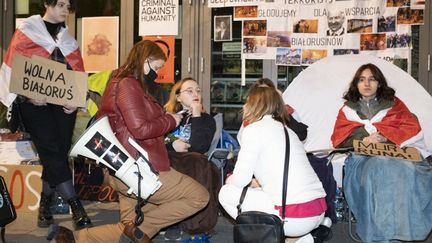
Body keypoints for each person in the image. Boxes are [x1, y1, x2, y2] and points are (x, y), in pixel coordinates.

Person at [52, 40, 209, 242]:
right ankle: (135, 230)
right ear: (146, 61)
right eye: (157, 67)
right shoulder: (129, 84)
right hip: (140, 166)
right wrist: (170, 119)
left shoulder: (119, 81)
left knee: (127, 230)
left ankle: (72, 238)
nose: (157, 73)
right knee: (198, 196)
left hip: (124, 166)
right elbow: (140, 128)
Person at [0, 0, 92, 230]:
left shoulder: (69, 40)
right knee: (50, 149)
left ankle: (44, 204)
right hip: (34, 105)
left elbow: (76, 74)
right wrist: (28, 95)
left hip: (62, 106)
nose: (65, 9)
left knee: (57, 154)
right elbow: (13, 70)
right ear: (47, 4)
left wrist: (76, 100)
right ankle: (76, 206)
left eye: (69, 5)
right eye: (60, 4)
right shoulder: (26, 31)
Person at [331, 63, 432, 242]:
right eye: (362, 80)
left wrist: (386, 136)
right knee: (380, 168)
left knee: (404, 170)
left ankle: (401, 231)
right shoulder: (347, 111)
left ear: (379, 83)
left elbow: (411, 127)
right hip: (363, 160)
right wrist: (364, 139)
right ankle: (383, 235)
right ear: (356, 84)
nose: (367, 83)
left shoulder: (395, 105)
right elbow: (340, 140)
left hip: (396, 155)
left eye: (372, 79)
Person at [219, 85, 327, 242]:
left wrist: (231, 179)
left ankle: (279, 235)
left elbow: (240, 180)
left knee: (226, 192)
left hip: (294, 215)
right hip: (317, 210)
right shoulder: (288, 131)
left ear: (253, 105)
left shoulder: (253, 129)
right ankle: (301, 238)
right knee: (258, 193)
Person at [163, 77, 219, 239]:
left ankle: (185, 222)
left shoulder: (207, 120)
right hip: (169, 160)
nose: (196, 93)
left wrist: (196, 115)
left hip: (192, 163)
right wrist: (171, 146)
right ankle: (172, 220)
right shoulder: (168, 118)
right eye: (190, 91)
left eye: (198, 90)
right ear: (178, 97)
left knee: (197, 161)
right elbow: (154, 142)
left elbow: (200, 146)